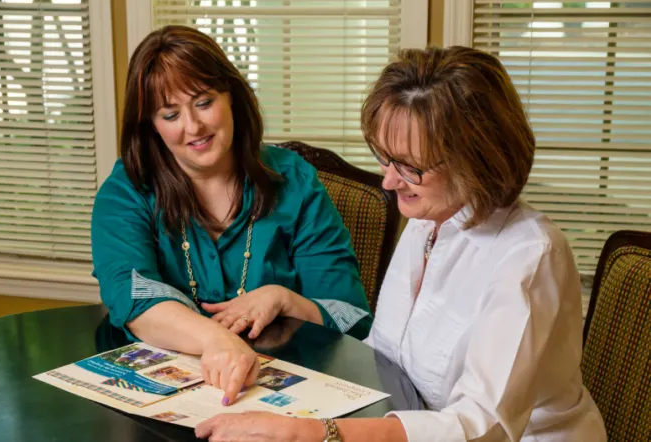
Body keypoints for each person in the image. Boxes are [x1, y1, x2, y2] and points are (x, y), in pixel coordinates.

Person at [194, 46, 606, 441]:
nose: (389, 182)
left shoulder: (530, 256)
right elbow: (382, 355)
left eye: (410, 167)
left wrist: (312, 433)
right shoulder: (431, 217)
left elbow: (480, 427)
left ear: (476, 160)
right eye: (385, 158)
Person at [90, 25, 372, 407]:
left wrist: (283, 298)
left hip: (289, 400)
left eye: (204, 102)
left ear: (232, 97)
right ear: (151, 127)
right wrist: (216, 339)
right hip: (160, 405)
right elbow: (131, 296)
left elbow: (352, 316)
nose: (193, 127)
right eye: (170, 114)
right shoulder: (127, 188)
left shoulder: (296, 181)